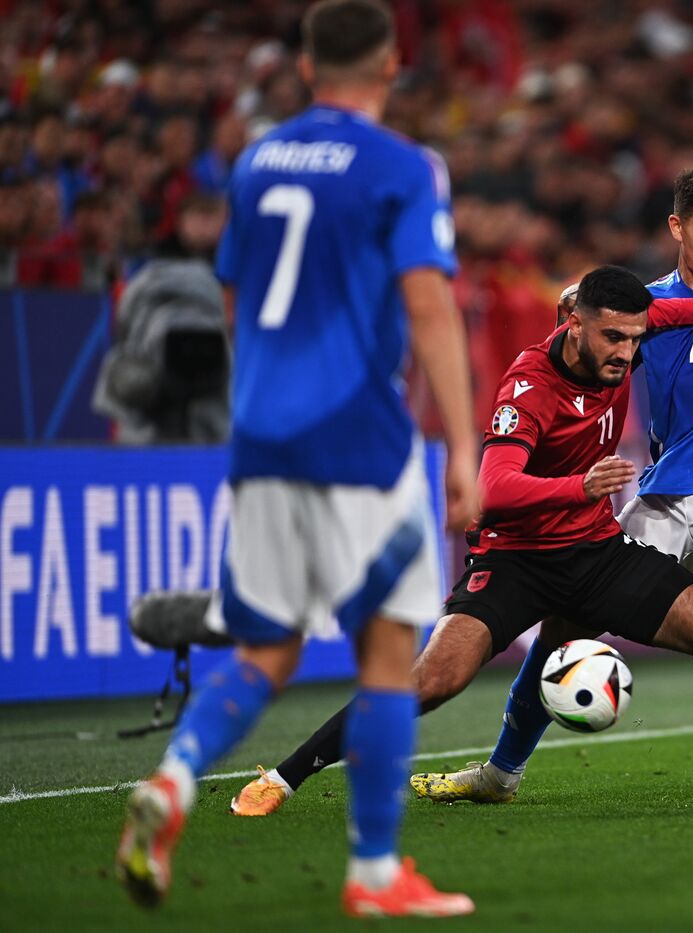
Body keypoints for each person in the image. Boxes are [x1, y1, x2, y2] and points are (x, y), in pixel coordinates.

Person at [229, 266, 693, 819]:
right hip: (514, 561)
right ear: (575, 327)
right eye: (614, 340)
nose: (627, 354)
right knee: (433, 681)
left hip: (597, 555)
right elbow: (494, 488)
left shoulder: (619, 331)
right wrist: (579, 485)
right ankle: (284, 778)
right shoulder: (529, 385)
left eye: (636, 340)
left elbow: (656, 313)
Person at [115, 0, 480, 918]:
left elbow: (234, 298)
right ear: (391, 65)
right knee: (390, 653)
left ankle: (174, 778)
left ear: (309, 67)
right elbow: (430, 305)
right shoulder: (404, 166)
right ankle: (373, 871)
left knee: (267, 647)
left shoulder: (257, 160)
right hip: (360, 435)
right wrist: (462, 446)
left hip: (263, 433)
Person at [412, 164, 693, 810]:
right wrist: (573, 301)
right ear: (677, 226)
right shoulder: (647, 307)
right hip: (662, 493)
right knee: (568, 621)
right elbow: (585, 346)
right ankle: (501, 772)